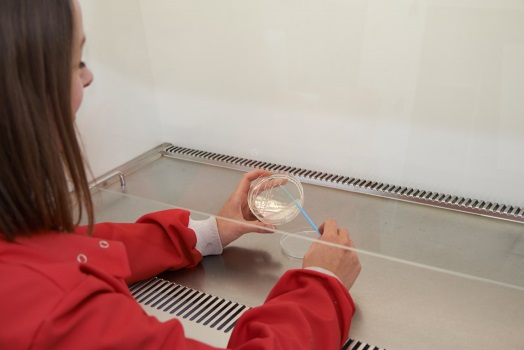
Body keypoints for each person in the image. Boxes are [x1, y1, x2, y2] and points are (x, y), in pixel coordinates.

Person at [0, 0, 361, 348]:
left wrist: (208, 233)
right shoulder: (58, 314)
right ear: (23, 91)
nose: (88, 76)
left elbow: (76, 249)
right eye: (76, 61)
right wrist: (322, 286)